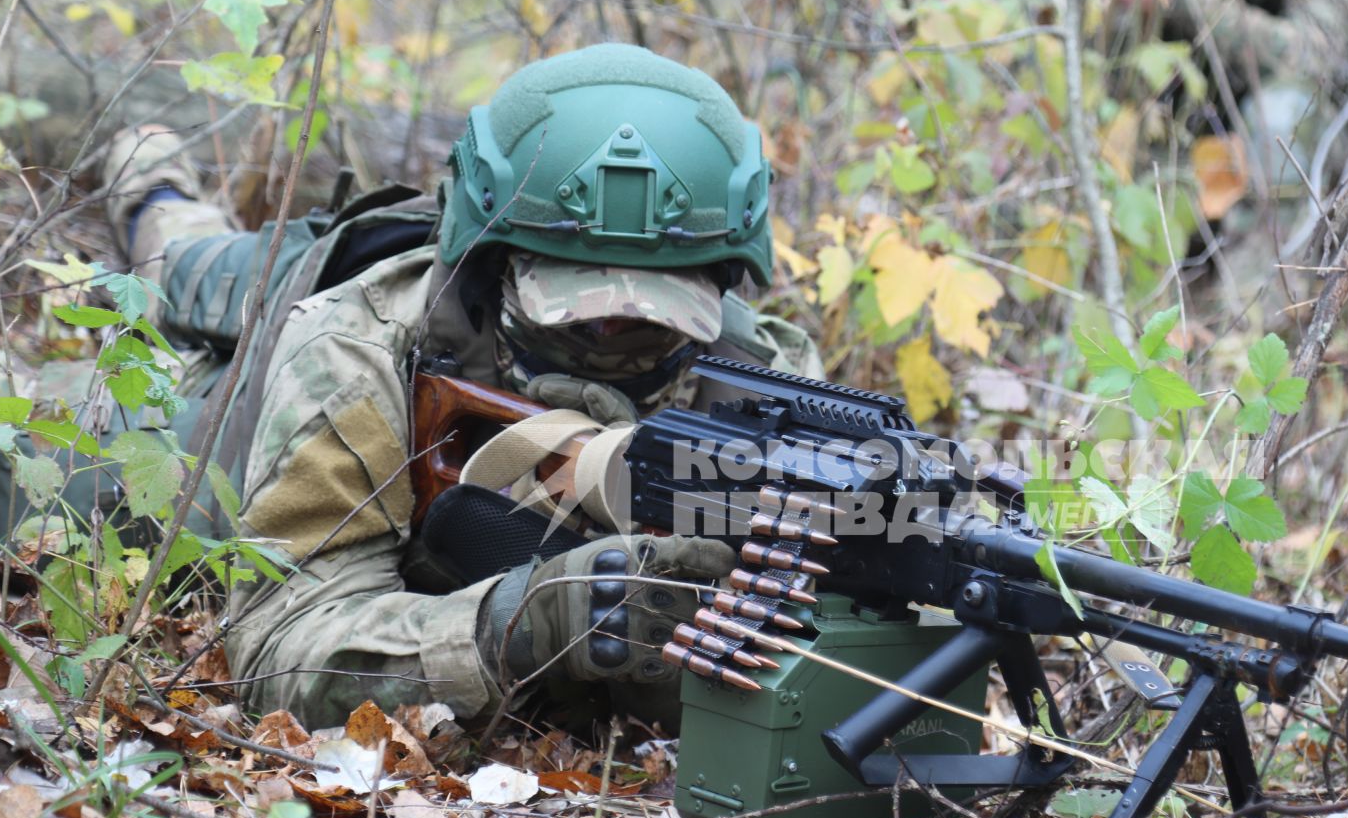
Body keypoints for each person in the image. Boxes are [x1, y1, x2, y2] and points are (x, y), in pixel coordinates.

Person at [92, 44, 820, 730]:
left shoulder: (763, 388)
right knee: (173, 272)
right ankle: (144, 169)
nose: (608, 345)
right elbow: (277, 644)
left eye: (647, 326)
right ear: (492, 268)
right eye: (575, 318)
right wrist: (524, 622)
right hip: (254, 369)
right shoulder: (358, 347)